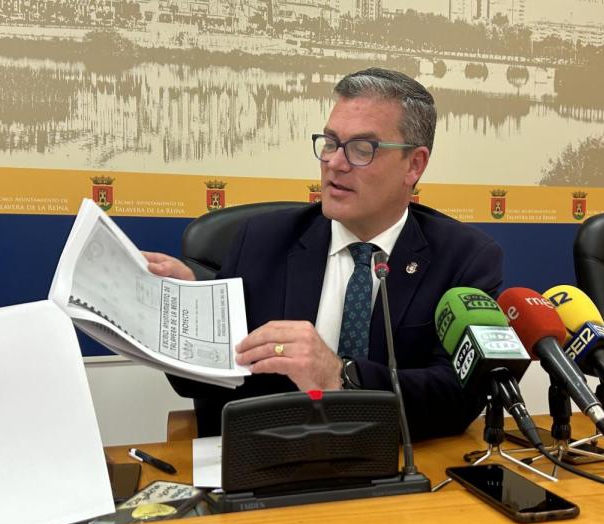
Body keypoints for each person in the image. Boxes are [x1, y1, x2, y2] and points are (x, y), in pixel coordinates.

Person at [144, 68, 503, 440]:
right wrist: (189, 316)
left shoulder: (464, 258)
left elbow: (458, 395)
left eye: (362, 149)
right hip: (272, 459)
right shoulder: (260, 240)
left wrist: (338, 375)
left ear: (414, 165)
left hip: (397, 463)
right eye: (331, 142)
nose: (335, 163)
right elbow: (206, 385)